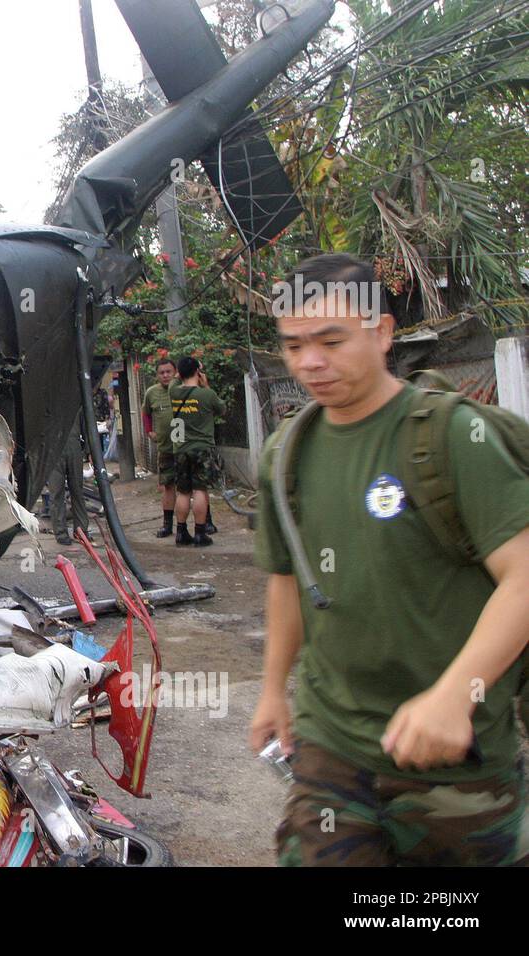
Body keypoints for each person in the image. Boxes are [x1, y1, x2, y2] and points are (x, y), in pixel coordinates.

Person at [249, 253, 529, 866]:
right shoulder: (285, 454)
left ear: (381, 331)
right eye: (294, 346)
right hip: (333, 747)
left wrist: (456, 695)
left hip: (458, 762)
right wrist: (273, 689)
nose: (310, 363)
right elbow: (288, 580)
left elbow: (523, 578)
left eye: (330, 340)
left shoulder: (454, 437)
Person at [168, 357, 224, 547]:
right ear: (198, 373)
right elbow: (221, 409)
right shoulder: (206, 395)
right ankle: (200, 533)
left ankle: (181, 532)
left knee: (183, 491)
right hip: (201, 448)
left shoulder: (173, 391)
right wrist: (206, 385)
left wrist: (182, 373)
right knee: (200, 490)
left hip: (180, 449)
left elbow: (175, 379)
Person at [142, 357, 178, 537]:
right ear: (157, 375)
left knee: (195, 487)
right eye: (161, 373)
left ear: (175, 372)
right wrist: (149, 431)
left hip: (186, 447)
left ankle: (204, 522)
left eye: (168, 372)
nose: (165, 375)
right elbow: (146, 413)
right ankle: (167, 525)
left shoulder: (182, 389)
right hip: (165, 448)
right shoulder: (151, 393)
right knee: (168, 486)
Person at [46, 420, 90, 546]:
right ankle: (60, 533)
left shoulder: (76, 402)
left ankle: (81, 530)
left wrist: (89, 451)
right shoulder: (44, 400)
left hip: (73, 446)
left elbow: (86, 427)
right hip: (52, 448)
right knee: (56, 492)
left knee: (77, 490)